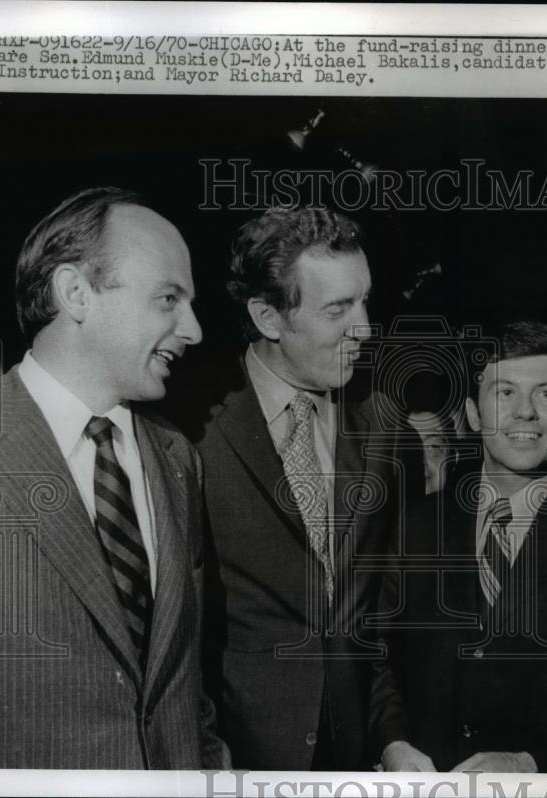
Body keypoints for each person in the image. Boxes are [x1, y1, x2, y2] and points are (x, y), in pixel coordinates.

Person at [0, 187, 228, 769]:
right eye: (168, 298)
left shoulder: (178, 458)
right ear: (75, 293)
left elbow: (183, 680)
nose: (194, 329)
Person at [371, 321, 547, 773]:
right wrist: (393, 743)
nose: (526, 413)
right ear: (473, 415)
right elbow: (374, 653)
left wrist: (530, 764)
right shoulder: (414, 527)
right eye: (505, 394)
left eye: (546, 394)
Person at [196, 206, 402, 770]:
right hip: (236, 759)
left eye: (365, 300)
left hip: (354, 758)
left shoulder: (381, 421)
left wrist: (391, 737)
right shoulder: (191, 429)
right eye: (338, 308)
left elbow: (376, 616)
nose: (364, 328)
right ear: (268, 317)